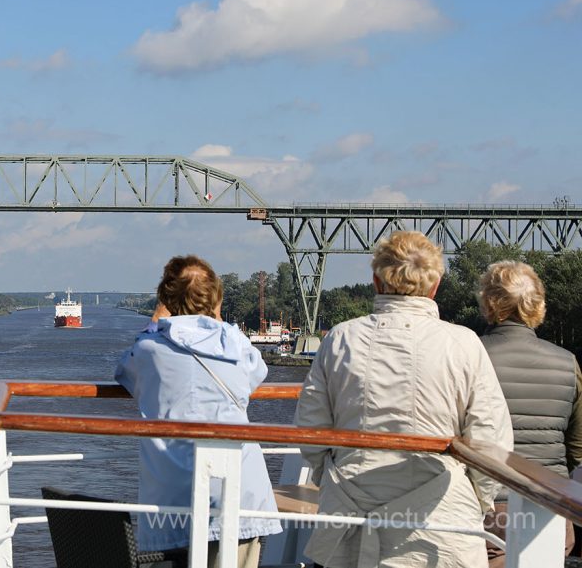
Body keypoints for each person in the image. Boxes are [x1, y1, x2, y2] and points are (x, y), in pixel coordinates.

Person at [294, 231, 513, 567]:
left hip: (349, 519)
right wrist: (475, 500)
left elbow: (310, 428)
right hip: (440, 526)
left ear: (376, 282)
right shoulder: (464, 344)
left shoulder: (341, 339)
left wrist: (333, 482)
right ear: (435, 285)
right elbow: (491, 439)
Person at [115, 255, 281, 567]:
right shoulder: (236, 342)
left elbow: (126, 371)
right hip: (237, 492)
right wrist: (215, 318)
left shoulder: (149, 349)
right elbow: (256, 374)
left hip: (173, 498)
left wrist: (156, 319)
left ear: (165, 298)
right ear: (216, 299)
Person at [477, 260, 582, 567]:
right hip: (550, 509)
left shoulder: (469, 355)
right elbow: (576, 452)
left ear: (489, 302)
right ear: (537, 304)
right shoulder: (568, 363)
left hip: (488, 511)